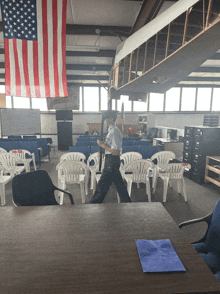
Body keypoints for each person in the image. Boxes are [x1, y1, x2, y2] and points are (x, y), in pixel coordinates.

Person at [89, 111, 131, 204]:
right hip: (111, 160)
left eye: (106, 118)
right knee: (120, 185)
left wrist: (103, 146)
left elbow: (117, 151)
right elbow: (110, 147)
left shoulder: (115, 131)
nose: (105, 121)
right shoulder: (111, 130)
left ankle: (93, 204)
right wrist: (103, 150)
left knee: (102, 185)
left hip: (112, 161)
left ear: (111, 119)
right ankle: (127, 203)